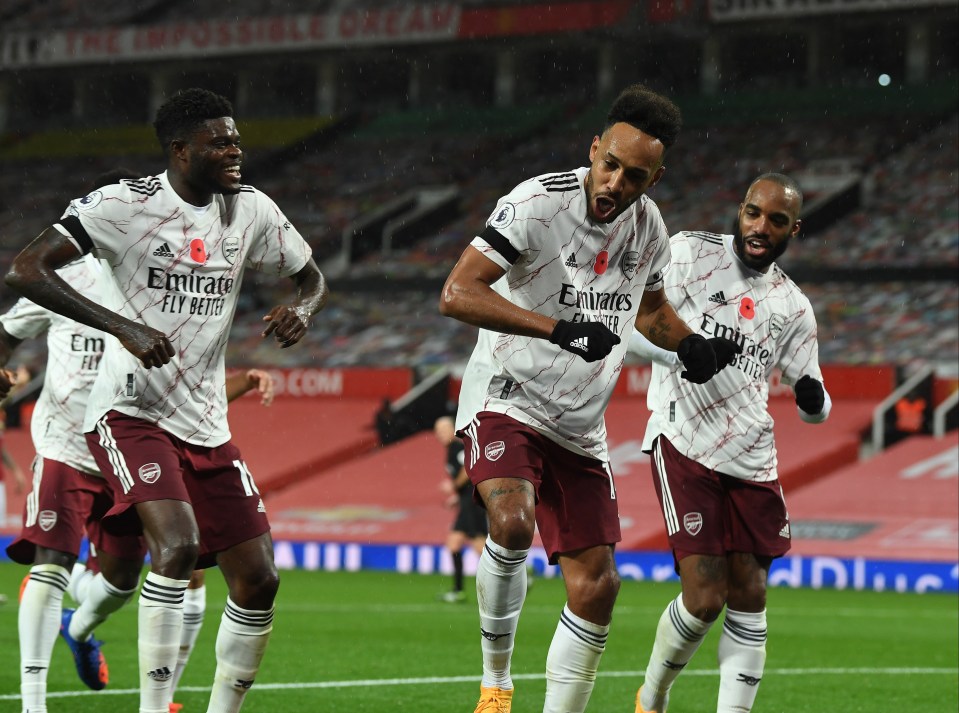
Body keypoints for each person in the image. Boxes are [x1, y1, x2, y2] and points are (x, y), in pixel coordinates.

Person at [5, 87, 328, 713]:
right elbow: (26, 269)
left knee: (259, 579)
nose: (236, 150)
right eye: (221, 141)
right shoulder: (123, 206)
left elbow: (311, 276)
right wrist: (121, 325)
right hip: (126, 410)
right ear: (181, 150)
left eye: (236, 138)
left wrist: (304, 309)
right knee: (176, 549)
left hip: (204, 421)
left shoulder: (252, 210)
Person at [439, 84, 739, 713]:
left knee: (598, 588)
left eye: (636, 176)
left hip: (580, 422)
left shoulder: (649, 227)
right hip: (508, 393)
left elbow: (653, 313)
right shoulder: (536, 203)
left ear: (655, 178)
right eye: (611, 165)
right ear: (594, 148)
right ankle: (496, 684)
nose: (616, 184)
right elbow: (458, 293)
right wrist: (556, 328)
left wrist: (692, 345)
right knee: (512, 521)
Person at [0, 224, 280, 712]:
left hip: (133, 452)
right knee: (54, 563)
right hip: (67, 444)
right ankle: (33, 704)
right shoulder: (64, 280)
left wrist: (241, 381)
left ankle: (80, 627)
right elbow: (5, 334)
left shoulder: (169, 283)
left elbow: (184, 385)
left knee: (124, 581)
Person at [629, 174, 831, 713]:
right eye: (752, 213)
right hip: (685, 438)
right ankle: (652, 696)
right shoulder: (688, 255)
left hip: (753, 455)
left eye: (776, 221)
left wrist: (814, 398)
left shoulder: (793, 305)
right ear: (740, 211)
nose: (760, 227)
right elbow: (631, 323)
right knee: (703, 598)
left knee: (752, 595)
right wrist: (683, 352)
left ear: (794, 229)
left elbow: (816, 402)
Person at [434, 415, 488, 603]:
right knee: (455, 543)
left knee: (479, 546)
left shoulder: (457, 447)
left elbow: (468, 469)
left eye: (442, 430)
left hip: (472, 504)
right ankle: (458, 591)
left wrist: (454, 487)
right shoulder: (453, 449)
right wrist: (457, 497)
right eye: (437, 431)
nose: (439, 434)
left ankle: (516, 575)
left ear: (452, 430)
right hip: (467, 501)